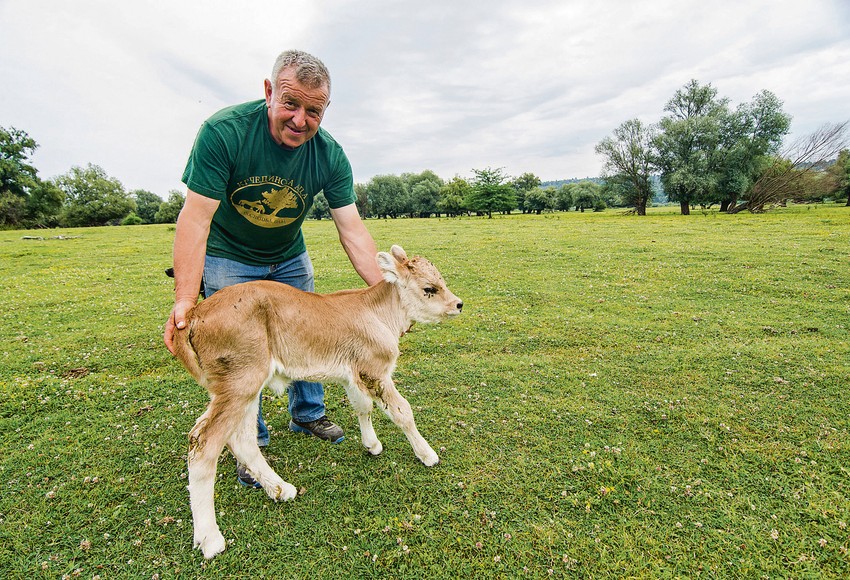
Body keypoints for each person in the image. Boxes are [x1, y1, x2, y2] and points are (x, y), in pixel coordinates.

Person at [164, 50, 384, 488]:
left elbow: (352, 230)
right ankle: (251, 443)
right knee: (247, 351)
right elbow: (196, 218)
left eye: (313, 110)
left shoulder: (329, 156)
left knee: (312, 330)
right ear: (269, 92)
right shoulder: (224, 132)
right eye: (290, 103)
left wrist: (387, 297)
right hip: (229, 255)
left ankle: (309, 414)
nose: (301, 119)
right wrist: (185, 298)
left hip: (288, 256)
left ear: (325, 110)